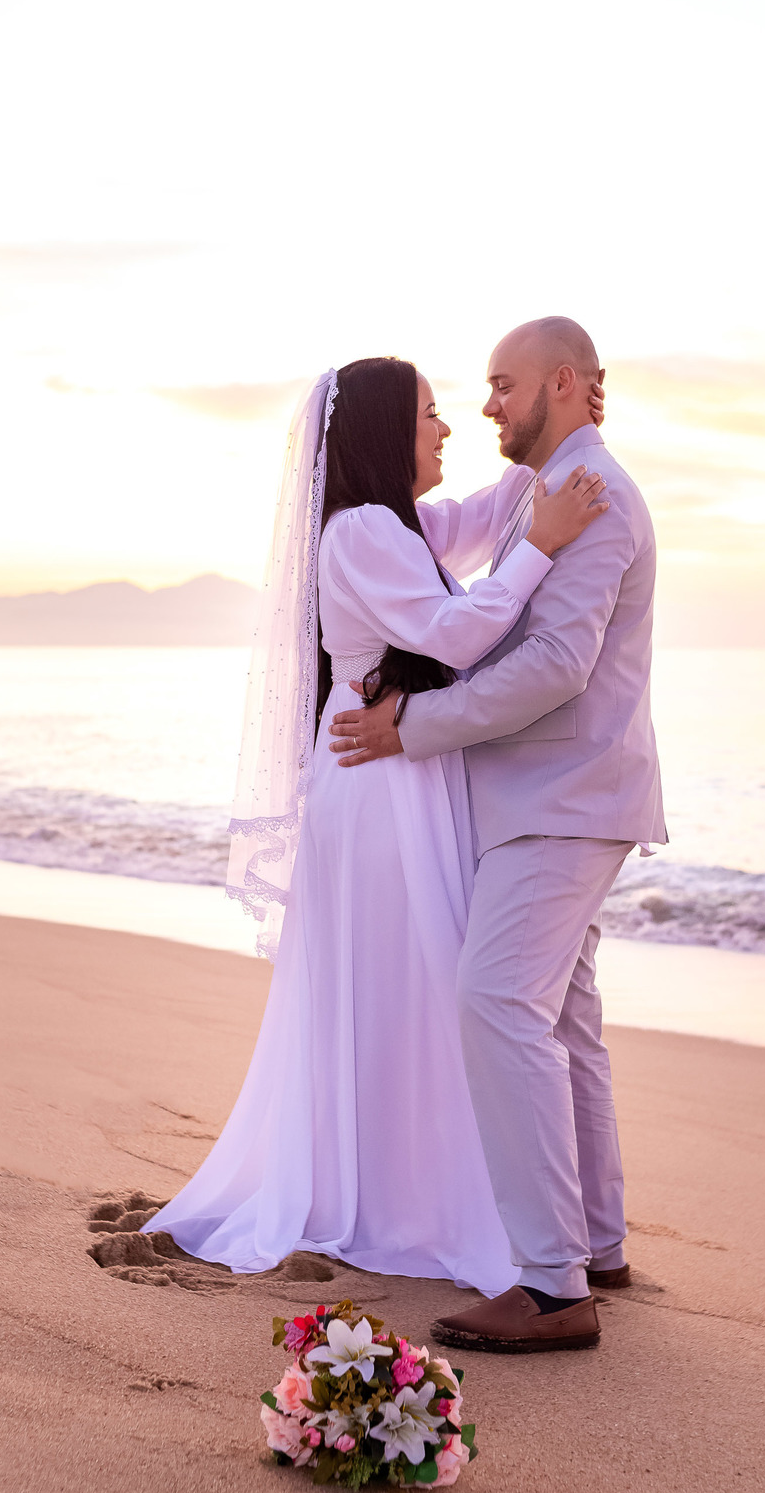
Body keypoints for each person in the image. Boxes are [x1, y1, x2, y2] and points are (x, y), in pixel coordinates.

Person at [142, 355, 608, 1295]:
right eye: (431, 415)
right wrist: (543, 546)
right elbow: (457, 631)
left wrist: (556, 432)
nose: (446, 430)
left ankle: (415, 1186)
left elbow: (474, 520)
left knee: (414, 982)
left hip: (397, 772)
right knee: (419, 980)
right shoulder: (361, 533)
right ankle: (406, 1201)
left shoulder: (390, 526)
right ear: (386, 430)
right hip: (377, 786)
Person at [329, 317, 666, 1353]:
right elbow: (443, 548)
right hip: (542, 795)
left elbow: (557, 664)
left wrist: (412, 727)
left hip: (564, 797)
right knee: (562, 1019)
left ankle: (555, 1288)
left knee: (496, 999)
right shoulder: (539, 489)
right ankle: (596, 1246)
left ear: (558, 385)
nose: (483, 408)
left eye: (500, 386)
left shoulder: (593, 497)